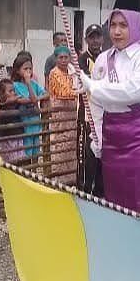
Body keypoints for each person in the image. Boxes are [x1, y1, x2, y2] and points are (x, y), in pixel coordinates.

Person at [76, 0, 140, 217]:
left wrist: (93, 85)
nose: (116, 32)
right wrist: (96, 136)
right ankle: (124, 251)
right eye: (113, 25)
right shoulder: (103, 58)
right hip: (112, 137)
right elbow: (96, 105)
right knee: (117, 205)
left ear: (136, 25)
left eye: (123, 25)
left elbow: (131, 91)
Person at [77, 24, 105, 196]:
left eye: (98, 36)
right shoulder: (81, 59)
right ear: (87, 39)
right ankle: (85, 189)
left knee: (102, 152)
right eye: (91, 37)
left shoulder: (107, 57)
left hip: (103, 111)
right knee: (86, 154)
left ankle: (101, 190)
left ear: (102, 38)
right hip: (86, 113)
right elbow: (87, 82)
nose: (95, 41)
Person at [48, 45, 79, 183]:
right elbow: (64, 92)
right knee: (60, 145)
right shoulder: (54, 73)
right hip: (60, 114)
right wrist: (82, 91)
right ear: (56, 59)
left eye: (66, 57)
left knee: (71, 145)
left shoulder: (71, 72)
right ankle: (60, 179)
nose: (63, 60)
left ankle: (71, 178)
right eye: (61, 57)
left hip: (71, 114)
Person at [13, 54, 47, 157]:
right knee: (26, 153)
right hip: (25, 124)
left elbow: (46, 93)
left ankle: (35, 171)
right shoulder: (15, 85)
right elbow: (29, 100)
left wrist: (37, 98)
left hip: (35, 122)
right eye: (25, 69)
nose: (28, 71)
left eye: (30, 68)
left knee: (36, 152)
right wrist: (28, 83)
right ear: (18, 71)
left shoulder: (34, 83)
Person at [0, 79, 25, 163]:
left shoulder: (17, 103)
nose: (13, 93)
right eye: (10, 91)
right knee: (9, 163)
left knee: (19, 161)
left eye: (13, 91)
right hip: (7, 138)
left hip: (18, 136)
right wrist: (5, 103)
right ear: (1, 93)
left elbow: (26, 99)